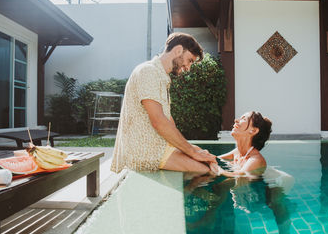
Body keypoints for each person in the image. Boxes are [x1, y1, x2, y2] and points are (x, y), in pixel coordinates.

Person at [111, 32, 218, 175]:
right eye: (190, 60)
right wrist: (191, 152)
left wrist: (192, 149)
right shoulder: (148, 72)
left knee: (204, 158)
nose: (188, 68)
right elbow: (159, 121)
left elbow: (169, 122)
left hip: (158, 147)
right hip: (145, 152)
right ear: (178, 50)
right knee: (205, 170)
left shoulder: (161, 77)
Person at [218, 111, 272, 177]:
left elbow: (238, 176)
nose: (236, 120)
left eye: (243, 119)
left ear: (253, 131)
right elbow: (216, 159)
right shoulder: (238, 152)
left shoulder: (256, 159)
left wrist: (215, 168)